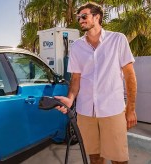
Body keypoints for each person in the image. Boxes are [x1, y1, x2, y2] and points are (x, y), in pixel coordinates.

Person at [55, 2, 137, 164]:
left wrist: (131, 109)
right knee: (94, 157)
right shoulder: (77, 46)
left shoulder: (118, 39)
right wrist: (70, 99)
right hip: (85, 112)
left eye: (84, 16)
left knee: (119, 159)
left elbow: (130, 76)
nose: (81, 20)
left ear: (97, 17)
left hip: (112, 110)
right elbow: (76, 79)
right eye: (79, 17)